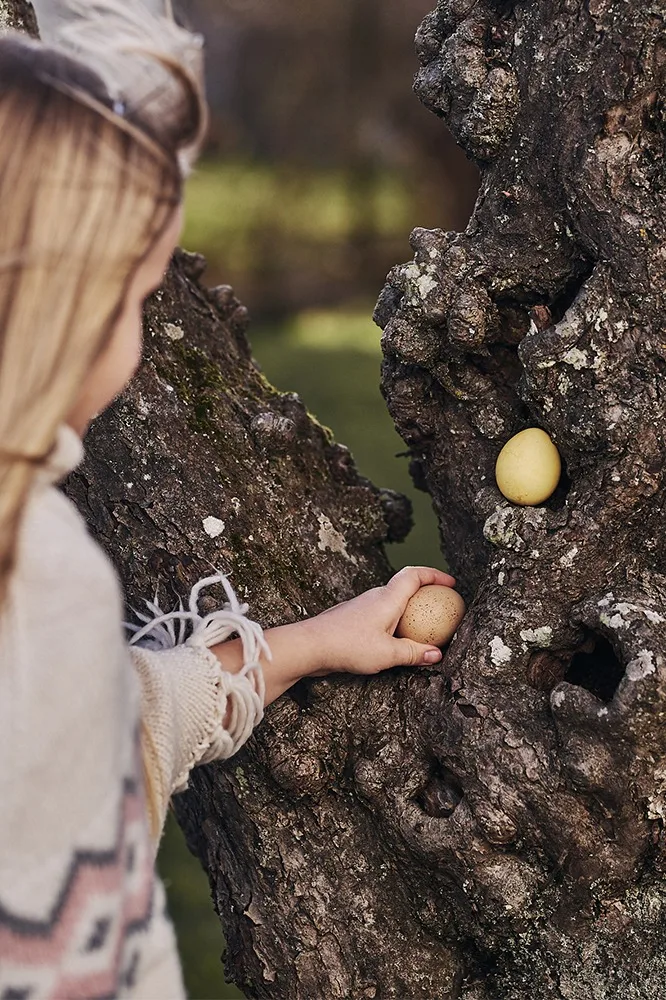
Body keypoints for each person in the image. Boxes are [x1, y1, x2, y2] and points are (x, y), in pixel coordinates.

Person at [0, 3, 455, 997]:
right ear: (58, 310)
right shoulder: (39, 576)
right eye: (134, 296)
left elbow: (120, 715)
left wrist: (311, 644)